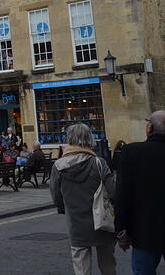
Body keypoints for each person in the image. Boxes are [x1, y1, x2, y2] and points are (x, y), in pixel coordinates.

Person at [51, 123, 116, 275]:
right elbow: (113, 192)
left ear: (70, 139)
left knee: (81, 266)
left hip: (76, 222)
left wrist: (63, 208)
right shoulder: (99, 163)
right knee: (108, 265)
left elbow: (56, 196)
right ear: (89, 139)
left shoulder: (58, 166)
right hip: (102, 221)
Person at [115, 110, 165, 274]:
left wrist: (121, 230)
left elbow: (123, 194)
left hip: (145, 231)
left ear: (149, 128)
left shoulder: (132, 152)